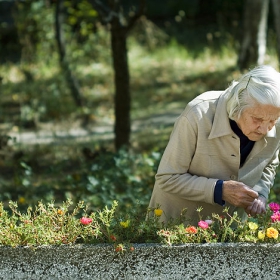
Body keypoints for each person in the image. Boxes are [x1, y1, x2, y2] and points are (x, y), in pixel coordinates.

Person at [149, 65, 280, 225]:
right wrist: (220, 190)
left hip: (229, 230)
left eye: (272, 121)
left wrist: (260, 193)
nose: (266, 129)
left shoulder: (275, 118)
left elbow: (269, 164)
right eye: (257, 119)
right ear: (238, 105)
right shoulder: (198, 114)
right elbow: (168, 177)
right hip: (176, 228)